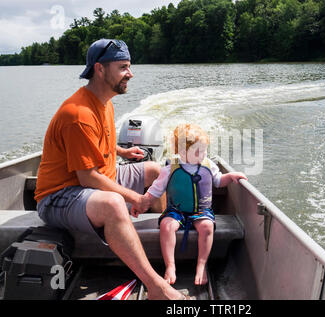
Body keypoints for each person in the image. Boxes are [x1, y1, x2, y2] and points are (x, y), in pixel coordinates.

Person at [34, 39, 184, 300]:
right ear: (100, 69)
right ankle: (156, 288)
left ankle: (157, 238)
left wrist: (122, 152)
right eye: (123, 67)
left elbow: (98, 141)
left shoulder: (105, 103)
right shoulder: (77, 114)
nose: (130, 73)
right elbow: (87, 177)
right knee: (115, 203)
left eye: (130, 66)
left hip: (97, 179)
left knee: (156, 171)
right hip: (58, 196)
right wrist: (135, 198)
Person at [139, 123, 247, 285]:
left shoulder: (208, 165)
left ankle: (202, 265)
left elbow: (218, 181)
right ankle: (170, 265)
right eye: (198, 151)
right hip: (176, 210)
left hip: (201, 210)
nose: (202, 154)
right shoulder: (169, 169)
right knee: (167, 226)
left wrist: (230, 176)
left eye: (204, 150)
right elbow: (155, 190)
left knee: (207, 227)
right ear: (182, 152)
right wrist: (143, 203)